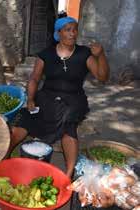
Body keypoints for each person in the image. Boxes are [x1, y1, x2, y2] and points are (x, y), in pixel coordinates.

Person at [10, 13, 110, 177]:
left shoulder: (84, 54)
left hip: (73, 98)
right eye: (68, 30)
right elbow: (34, 78)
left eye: (75, 30)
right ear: (59, 33)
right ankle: (3, 157)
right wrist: (30, 99)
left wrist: (101, 55)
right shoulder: (46, 54)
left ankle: (68, 174)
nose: (72, 33)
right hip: (47, 96)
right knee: (26, 117)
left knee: (68, 124)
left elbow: (103, 77)